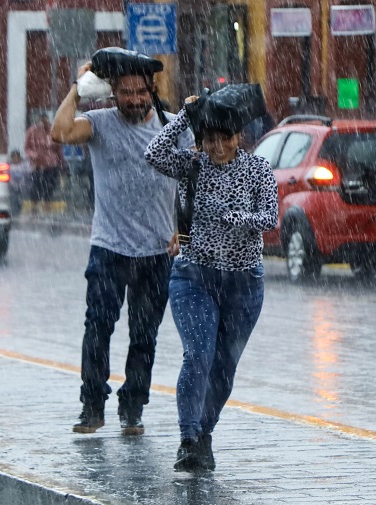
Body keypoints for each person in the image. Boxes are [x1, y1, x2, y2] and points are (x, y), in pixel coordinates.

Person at [50, 50, 194, 436]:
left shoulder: (174, 127)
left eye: (140, 91)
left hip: (157, 251)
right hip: (109, 247)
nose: (134, 99)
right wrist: (79, 90)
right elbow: (59, 131)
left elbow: (193, 182)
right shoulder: (99, 123)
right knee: (97, 328)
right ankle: (92, 406)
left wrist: (185, 231)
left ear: (151, 90)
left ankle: (133, 407)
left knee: (144, 335)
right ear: (112, 93)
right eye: (125, 92)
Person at [144, 84, 278, 472]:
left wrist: (235, 219)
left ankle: (205, 434)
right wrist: (186, 116)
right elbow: (154, 153)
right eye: (209, 139)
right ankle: (187, 438)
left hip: (243, 284)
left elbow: (269, 217)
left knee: (224, 366)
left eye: (225, 138)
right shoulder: (193, 164)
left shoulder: (257, 169)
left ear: (239, 137)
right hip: (194, 277)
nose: (217, 147)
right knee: (198, 355)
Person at [24, 114, 64, 217]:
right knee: (36, 188)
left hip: (52, 165)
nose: (44, 124)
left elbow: (58, 149)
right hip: (37, 166)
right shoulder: (32, 131)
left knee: (50, 188)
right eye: (43, 122)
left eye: (46, 122)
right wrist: (34, 155)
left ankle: (47, 211)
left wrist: (61, 163)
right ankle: (34, 210)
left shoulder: (53, 130)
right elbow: (26, 148)